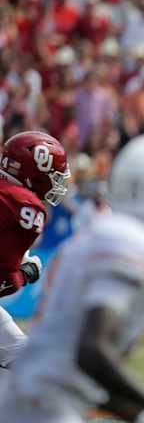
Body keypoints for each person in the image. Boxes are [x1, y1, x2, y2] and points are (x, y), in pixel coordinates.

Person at [0, 134, 144, 423]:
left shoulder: (108, 234)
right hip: (43, 405)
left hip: (42, 397)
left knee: (19, 356)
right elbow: (91, 353)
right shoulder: (129, 243)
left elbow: (77, 376)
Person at [0, 131, 70, 376]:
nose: (58, 183)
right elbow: (4, 282)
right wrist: (25, 273)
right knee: (28, 366)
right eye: (55, 176)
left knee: (22, 359)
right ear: (36, 172)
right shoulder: (24, 206)